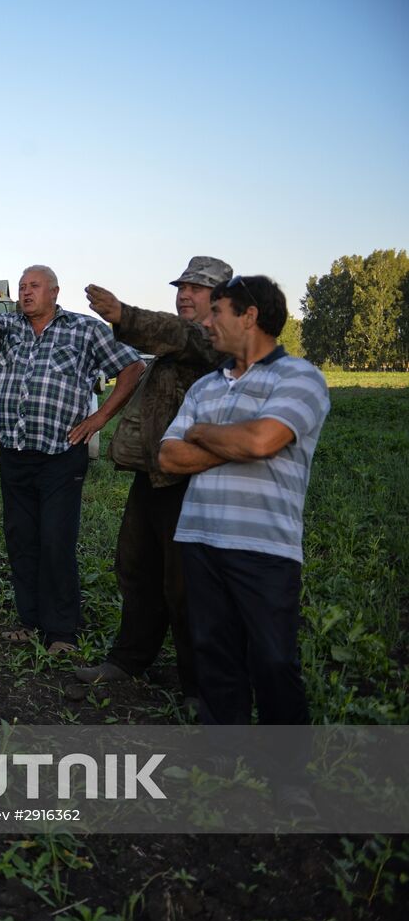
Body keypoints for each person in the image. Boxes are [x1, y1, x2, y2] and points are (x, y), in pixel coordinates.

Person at [158, 275, 330, 729]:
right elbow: (169, 456)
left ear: (249, 316)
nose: (208, 323)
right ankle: (223, 758)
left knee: (274, 662)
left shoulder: (300, 376)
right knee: (215, 656)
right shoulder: (206, 386)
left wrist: (202, 432)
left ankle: (285, 776)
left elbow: (261, 440)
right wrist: (233, 443)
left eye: (218, 312)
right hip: (199, 537)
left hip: (264, 547)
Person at [0, 266, 144, 654]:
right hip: (16, 452)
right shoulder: (12, 327)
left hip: (60, 455)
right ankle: (30, 621)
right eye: (22, 287)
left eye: (33, 286)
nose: (25, 293)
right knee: (21, 540)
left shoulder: (84, 329)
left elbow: (133, 366)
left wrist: (100, 416)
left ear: (54, 292)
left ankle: (61, 632)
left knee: (56, 542)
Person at [74, 257, 232, 701]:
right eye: (182, 287)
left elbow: (176, 334)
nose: (184, 294)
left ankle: (198, 686)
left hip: (191, 480)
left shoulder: (215, 340)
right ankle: (128, 659)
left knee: (185, 584)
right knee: (136, 567)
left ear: (220, 299)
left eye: (196, 289)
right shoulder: (180, 342)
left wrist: (124, 316)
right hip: (154, 476)